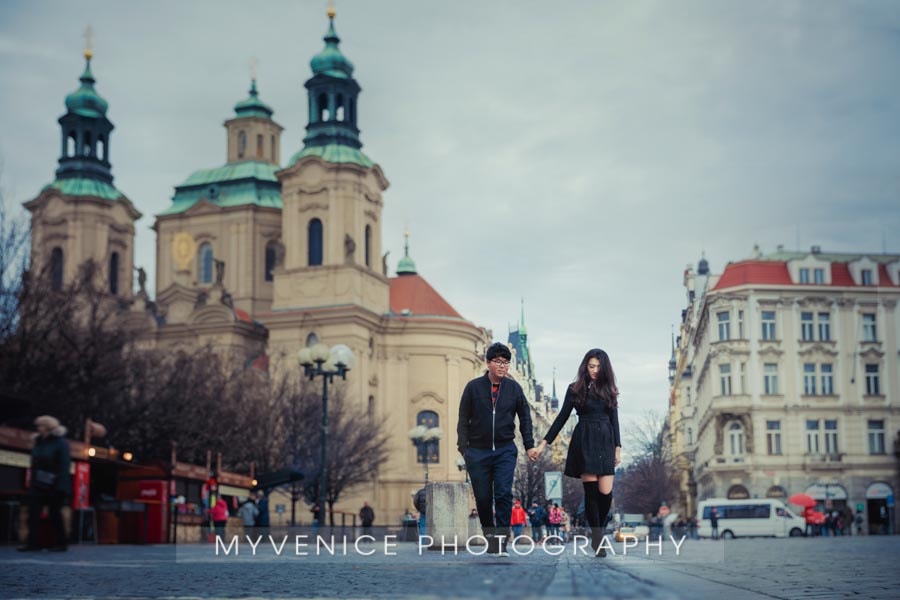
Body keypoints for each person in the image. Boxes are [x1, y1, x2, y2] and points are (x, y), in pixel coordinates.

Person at [534, 349, 621, 558]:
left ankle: (597, 527)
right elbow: (562, 417)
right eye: (591, 366)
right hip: (584, 439)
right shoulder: (574, 389)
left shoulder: (610, 389)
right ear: (585, 366)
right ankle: (598, 538)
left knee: (606, 492)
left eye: (599, 367)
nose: (594, 371)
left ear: (605, 369)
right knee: (591, 493)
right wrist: (543, 444)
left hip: (606, 440)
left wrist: (618, 447)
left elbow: (615, 420)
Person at [457, 342, 537, 555]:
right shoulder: (473, 387)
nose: (503, 366)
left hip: (504, 450)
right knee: (483, 498)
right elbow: (463, 417)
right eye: (498, 362)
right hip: (477, 451)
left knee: (502, 494)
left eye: (506, 362)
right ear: (488, 362)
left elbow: (526, 417)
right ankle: (490, 536)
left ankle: (501, 540)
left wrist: (529, 446)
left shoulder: (514, 389)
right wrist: (463, 447)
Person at [19, 415, 71, 552]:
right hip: (38, 484)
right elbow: (34, 464)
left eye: (40, 426)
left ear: (48, 427)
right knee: (33, 513)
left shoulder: (60, 443)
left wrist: (59, 485)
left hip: (55, 484)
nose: (38, 429)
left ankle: (61, 543)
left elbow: (64, 465)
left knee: (55, 514)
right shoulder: (38, 442)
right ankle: (33, 543)